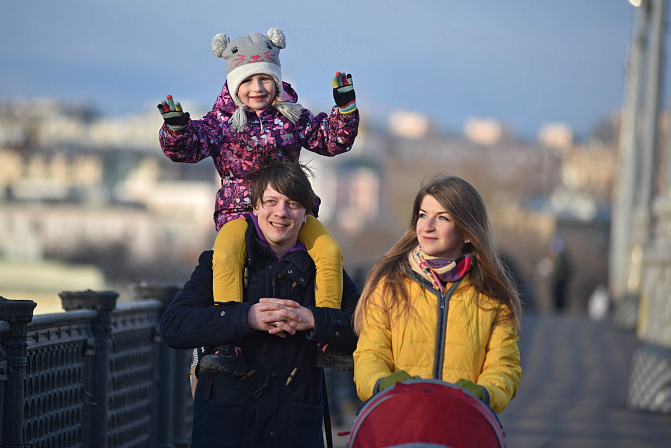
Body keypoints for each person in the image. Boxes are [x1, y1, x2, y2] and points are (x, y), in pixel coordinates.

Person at [157, 28, 359, 317]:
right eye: (248, 80)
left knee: (329, 251)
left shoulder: (293, 116)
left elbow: (330, 140)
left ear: (276, 80)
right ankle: (228, 337)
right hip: (239, 211)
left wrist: (345, 111)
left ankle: (326, 329)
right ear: (233, 84)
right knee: (226, 254)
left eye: (265, 78)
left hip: (289, 210)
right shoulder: (221, 123)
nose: (257, 88)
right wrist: (177, 130)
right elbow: (189, 148)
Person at [159, 161, 359, 448]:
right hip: (225, 426)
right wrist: (246, 317)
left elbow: (364, 328)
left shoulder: (325, 271)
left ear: (306, 214)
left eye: (293, 204)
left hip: (294, 426)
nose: (281, 212)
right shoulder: (217, 262)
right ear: (255, 207)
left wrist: (314, 319)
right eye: (271, 202)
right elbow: (173, 326)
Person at [352, 176, 522, 414]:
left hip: (462, 424)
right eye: (423, 215)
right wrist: (383, 386)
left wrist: (483, 395)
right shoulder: (389, 285)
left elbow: (504, 367)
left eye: (442, 217)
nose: (427, 226)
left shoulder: (492, 298)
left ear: (467, 230)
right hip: (399, 422)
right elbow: (370, 355)